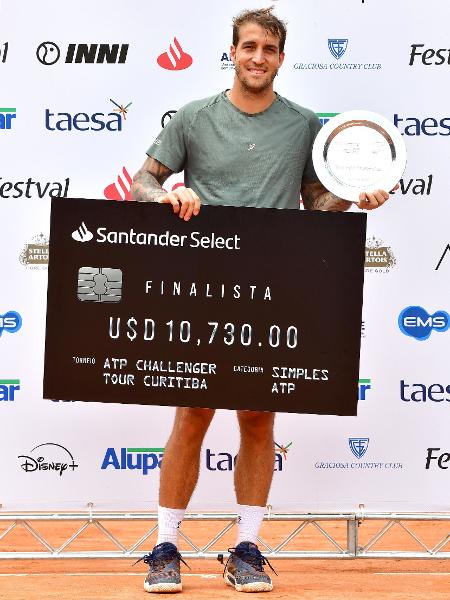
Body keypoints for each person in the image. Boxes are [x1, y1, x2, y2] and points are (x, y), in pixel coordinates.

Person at [131, 7, 391, 594]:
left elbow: (319, 205)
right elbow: (142, 181)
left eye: (268, 49)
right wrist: (171, 193)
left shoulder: (305, 125)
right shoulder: (195, 117)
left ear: (280, 57)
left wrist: (355, 197)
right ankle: (165, 546)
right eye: (248, 46)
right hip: (200, 285)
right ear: (233, 51)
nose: (257, 57)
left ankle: (247, 547)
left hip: (275, 286)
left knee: (256, 416)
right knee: (192, 413)